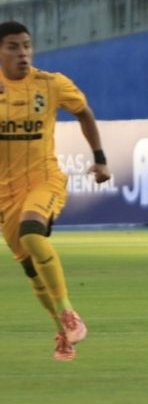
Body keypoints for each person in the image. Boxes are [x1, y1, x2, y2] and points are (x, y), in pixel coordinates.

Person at [0, 21, 110, 362]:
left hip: (44, 181)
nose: (23, 53)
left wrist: (100, 159)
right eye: (14, 47)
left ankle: (68, 312)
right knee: (30, 268)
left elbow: (84, 112)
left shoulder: (50, 84)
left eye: (27, 46)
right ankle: (63, 332)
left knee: (32, 232)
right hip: (5, 193)